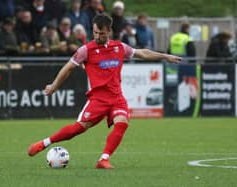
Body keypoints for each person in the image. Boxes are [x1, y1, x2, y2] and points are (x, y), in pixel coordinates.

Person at [27, 14, 181, 169]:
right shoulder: (85, 50)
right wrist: (54, 86)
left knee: (122, 124)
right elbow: (68, 68)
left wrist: (165, 56)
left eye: (101, 33)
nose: (98, 36)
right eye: (95, 32)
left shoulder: (119, 47)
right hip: (98, 99)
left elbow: (142, 53)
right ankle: (44, 143)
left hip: (116, 97)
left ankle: (103, 159)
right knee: (78, 129)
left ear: (109, 31)